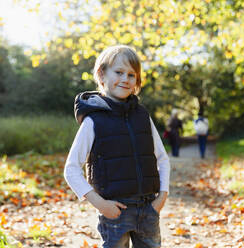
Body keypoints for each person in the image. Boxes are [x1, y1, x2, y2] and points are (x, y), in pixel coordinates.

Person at [64, 45, 170, 248]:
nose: (125, 79)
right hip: (114, 211)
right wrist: (100, 204)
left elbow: (162, 159)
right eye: (119, 72)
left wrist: (161, 197)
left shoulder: (143, 116)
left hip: (148, 208)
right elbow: (71, 169)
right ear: (102, 74)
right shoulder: (93, 121)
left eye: (132, 75)